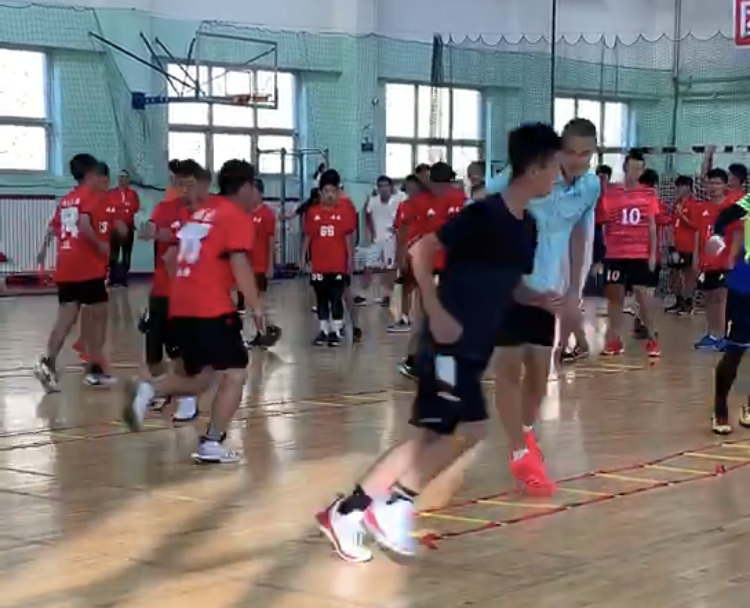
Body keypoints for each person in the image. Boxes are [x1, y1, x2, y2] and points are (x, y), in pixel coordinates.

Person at [315, 122, 556, 563]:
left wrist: (541, 299)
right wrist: (436, 311)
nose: (558, 177)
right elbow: (421, 252)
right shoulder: (483, 214)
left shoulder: (527, 228)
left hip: (473, 347)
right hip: (447, 344)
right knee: (454, 431)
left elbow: (510, 283)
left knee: (447, 434)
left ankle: (352, 512)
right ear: (537, 167)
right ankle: (385, 507)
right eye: (555, 167)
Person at [123, 159, 262, 464]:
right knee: (236, 373)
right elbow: (239, 263)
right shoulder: (235, 216)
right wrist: (257, 308)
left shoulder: (201, 213)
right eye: (255, 189)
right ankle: (212, 442)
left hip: (180, 306)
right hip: (209, 307)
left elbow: (171, 258)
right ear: (247, 187)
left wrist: (190, 287)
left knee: (202, 379)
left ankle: (147, 389)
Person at [487, 118, 599, 494]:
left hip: (546, 290)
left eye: (586, 154)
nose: (578, 160)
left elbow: (580, 232)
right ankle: (520, 452)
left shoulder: (589, 187)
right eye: (570, 152)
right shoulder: (523, 176)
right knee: (509, 370)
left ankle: (525, 433)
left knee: (538, 374)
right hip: (508, 288)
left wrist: (574, 290)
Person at [34, 155, 112, 392]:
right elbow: (85, 223)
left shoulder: (67, 199)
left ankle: (48, 363)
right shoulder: (91, 197)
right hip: (86, 266)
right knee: (99, 314)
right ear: (90, 174)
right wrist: (100, 245)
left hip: (66, 264)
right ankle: (95, 370)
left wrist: (42, 251)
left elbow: (52, 227)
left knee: (65, 319)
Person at [139, 159, 201, 422]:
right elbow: (151, 230)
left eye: (185, 182)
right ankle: (168, 388)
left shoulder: (199, 213)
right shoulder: (164, 208)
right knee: (153, 354)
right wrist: (149, 230)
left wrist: (169, 236)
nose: (179, 186)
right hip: (160, 292)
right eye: (176, 180)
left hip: (184, 294)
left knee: (180, 352)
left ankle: (188, 400)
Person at [705, 195, 750, 433]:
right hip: (745, 280)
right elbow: (724, 217)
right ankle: (720, 409)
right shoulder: (747, 203)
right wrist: (717, 238)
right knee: (735, 350)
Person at [302, 169, 357, 347]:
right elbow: (308, 237)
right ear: (320, 192)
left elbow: (348, 238)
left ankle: (336, 330)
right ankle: (324, 330)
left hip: (338, 264)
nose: (330, 195)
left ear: (338, 191)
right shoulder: (312, 212)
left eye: (333, 191)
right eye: (326, 191)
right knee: (321, 298)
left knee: (336, 297)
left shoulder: (344, 211)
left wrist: (350, 260)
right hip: (319, 265)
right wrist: (303, 258)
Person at [694, 168, 743, 351]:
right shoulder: (703, 208)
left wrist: (731, 256)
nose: (713, 187)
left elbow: (737, 233)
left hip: (724, 261)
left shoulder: (731, 207)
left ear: (725, 185)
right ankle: (712, 334)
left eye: (717, 183)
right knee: (709, 297)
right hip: (707, 262)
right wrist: (696, 257)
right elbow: (699, 234)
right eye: (711, 183)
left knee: (721, 298)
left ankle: (721, 336)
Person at [388, 174, 425, 334]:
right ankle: (404, 318)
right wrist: (400, 255)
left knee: (422, 286)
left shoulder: (426, 206)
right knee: (405, 286)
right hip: (405, 253)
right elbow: (398, 231)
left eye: (414, 186)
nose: (411, 189)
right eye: (408, 186)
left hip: (421, 253)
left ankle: (423, 320)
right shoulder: (403, 206)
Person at [244, 178, 279, 348]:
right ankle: (263, 331)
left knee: (257, 299)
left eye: (253, 192)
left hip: (260, 264)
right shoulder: (245, 213)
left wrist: (271, 264)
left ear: (260, 193)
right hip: (246, 265)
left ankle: (266, 329)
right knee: (251, 301)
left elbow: (271, 241)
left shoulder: (267, 214)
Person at [360, 175, 400, 306]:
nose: (383, 188)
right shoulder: (373, 201)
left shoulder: (397, 201)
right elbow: (366, 214)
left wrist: (397, 230)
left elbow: (402, 218)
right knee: (368, 266)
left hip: (391, 240)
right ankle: (363, 295)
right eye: (380, 186)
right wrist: (371, 232)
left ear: (390, 187)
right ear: (377, 188)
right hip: (376, 240)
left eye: (385, 186)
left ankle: (387, 295)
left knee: (390, 269)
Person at [666, 175, 700, 315]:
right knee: (674, 273)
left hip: (689, 246)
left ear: (687, 187)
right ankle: (678, 300)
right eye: (677, 186)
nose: (677, 189)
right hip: (676, 246)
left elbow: (696, 226)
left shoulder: (694, 204)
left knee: (688, 275)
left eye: (680, 186)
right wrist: (671, 245)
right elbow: (671, 224)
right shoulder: (676, 204)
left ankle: (688, 302)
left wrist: (683, 216)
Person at [109, 169, 140, 287]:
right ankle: (112, 278)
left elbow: (135, 208)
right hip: (114, 230)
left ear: (128, 180)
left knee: (127, 253)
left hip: (128, 227)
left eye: (125, 177)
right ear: (118, 179)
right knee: (113, 253)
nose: (123, 179)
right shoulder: (111, 193)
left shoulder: (133, 194)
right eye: (121, 177)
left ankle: (124, 278)